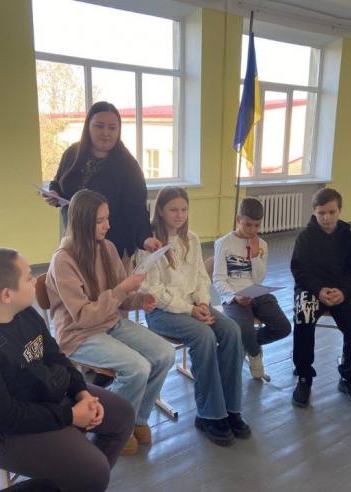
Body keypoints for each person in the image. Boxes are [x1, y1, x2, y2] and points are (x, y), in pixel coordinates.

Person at [0, 248, 134, 492]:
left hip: (39, 395)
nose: (35, 281)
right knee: (93, 470)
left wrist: (82, 393)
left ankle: (79, 482)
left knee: (122, 416)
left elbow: (56, 358)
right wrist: (70, 416)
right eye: (29, 277)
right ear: (6, 295)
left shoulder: (25, 314)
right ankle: (80, 479)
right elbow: (6, 418)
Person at [46, 190, 174, 456]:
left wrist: (139, 300)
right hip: (78, 334)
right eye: (100, 221)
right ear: (82, 222)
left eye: (107, 218)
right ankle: (114, 426)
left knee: (165, 354)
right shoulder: (63, 260)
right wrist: (122, 290)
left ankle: (137, 419)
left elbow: (120, 299)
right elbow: (84, 316)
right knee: (137, 368)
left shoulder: (107, 248)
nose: (107, 226)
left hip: (109, 322)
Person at [140, 186, 250, 447]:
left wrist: (202, 302)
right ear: (160, 211)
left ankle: (231, 409)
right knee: (204, 336)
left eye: (184, 209)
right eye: (173, 210)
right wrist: (191, 310)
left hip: (195, 305)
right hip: (161, 312)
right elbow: (153, 292)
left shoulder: (192, 238)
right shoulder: (150, 244)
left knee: (232, 330)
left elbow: (201, 276)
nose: (179, 215)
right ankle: (209, 414)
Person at [45, 101, 161, 258]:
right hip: (75, 241)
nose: (106, 132)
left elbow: (136, 208)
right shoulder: (72, 154)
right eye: (99, 126)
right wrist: (54, 192)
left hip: (111, 247)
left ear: (119, 130)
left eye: (112, 128)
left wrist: (145, 238)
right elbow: (58, 182)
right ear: (88, 127)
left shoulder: (128, 165)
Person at [290, 188, 351, 409]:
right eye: (321, 213)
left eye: (331, 212)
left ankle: (348, 377)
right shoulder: (305, 237)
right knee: (303, 318)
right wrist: (318, 290)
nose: (326, 217)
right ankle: (304, 377)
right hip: (311, 289)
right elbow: (299, 270)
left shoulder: (349, 238)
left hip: (341, 291)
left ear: (339, 211)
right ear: (314, 212)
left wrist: (343, 291)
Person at [212, 197, 291, 381]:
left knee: (283, 327)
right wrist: (234, 296)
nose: (252, 230)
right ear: (238, 219)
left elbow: (258, 278)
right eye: (248, 225)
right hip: (233, 297)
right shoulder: (223, 243)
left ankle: (246, 345)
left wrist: (255, 254)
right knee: (244, 329)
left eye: (257, 225)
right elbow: (218, 279)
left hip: (257, 293)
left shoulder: (261, 244)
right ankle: (255, 357)